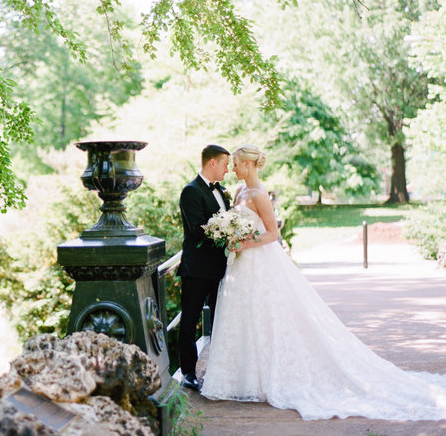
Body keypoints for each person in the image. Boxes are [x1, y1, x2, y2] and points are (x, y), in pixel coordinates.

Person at [200, 144, 446, 420]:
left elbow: (272, 234)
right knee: (243, 318)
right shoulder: (240, 192)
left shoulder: (260, 194)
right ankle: (242, 378)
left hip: (259, 261)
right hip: (240, 265)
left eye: (236, 164)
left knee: (266, 316)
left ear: (248, 164)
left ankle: (266, 378)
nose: (233, 169)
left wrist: (243, 242)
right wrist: (233, 240)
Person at [177, 144, 231, 391]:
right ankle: (188, 372)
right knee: (190, 321)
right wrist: (231, 232)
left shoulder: (220, 190)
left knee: (222, 319)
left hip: (222, 268)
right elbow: (199, 229)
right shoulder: (191, 191)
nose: (227, 169)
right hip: (197, 269)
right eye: (225, 164)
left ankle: (221, 369)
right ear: (212, 163)